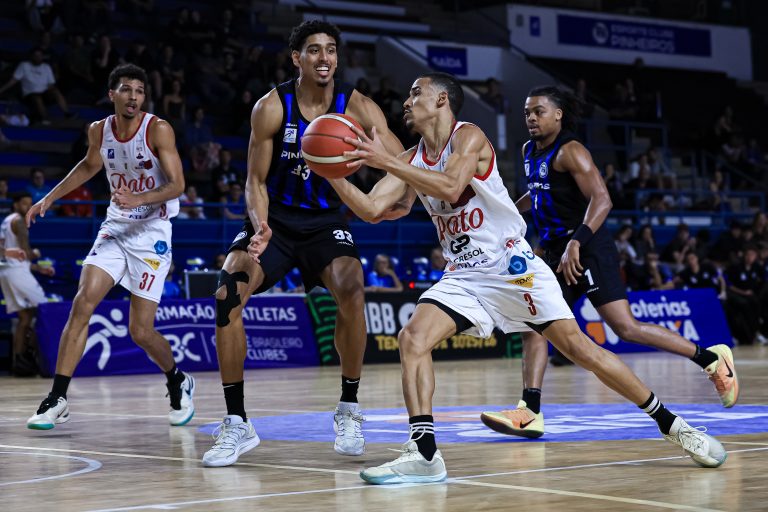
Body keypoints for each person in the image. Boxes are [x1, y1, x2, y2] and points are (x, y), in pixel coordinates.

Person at [325, 72, 726, 484]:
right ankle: (424, 453)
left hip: (512, 267)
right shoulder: (411, 157)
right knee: (412, 338)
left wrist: (385, 160)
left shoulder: (469, 137)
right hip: (464, 275)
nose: (407, 102)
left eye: (416, 93)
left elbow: (450, 186)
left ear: (442, 100)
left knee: (582, 351)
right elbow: (371, 209)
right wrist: (330, 172)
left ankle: (674, 425)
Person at [479, 86, 737, 441]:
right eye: (527, 113)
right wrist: (505, 210)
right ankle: (530, 411)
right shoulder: (528, 151)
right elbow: (537, 194)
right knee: (534, 326)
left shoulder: (571, 151)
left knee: (626, 327)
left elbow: (602, 199)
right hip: (554, 251)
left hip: (587, 247)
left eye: (539, 111)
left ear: (558, 115)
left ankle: (710, 358)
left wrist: (576, 242)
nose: (531, 118)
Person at [202, 20, 405, 467]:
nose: (324, 57)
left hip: (325, 222)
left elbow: (401, 159)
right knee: (226, 293)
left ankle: (348, 408)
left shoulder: (358, 107)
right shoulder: (272, 106)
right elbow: (255, 181)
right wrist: (260, 225)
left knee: (353, 289)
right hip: (275, 220)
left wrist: (400, 197)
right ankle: (236, 422)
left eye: (330, 49)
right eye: (314, 50)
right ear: (297, 58)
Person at [23, 63, 195, 430]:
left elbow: (178, 184)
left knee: (140, 332)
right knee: (82, 303)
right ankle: (57, 398)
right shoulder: (98, 130)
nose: (133, 97)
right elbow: (89, 166)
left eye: (139, 91)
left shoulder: (158, 129)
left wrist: (139, 199)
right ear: (112, 94)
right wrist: (50, 198)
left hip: (152, 233)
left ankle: (178, 379)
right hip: (116, 228)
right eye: (126, 90)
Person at [0, 192, 55, 376]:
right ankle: (42, 356)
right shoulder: (19, 221)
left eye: (30, 204)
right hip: (15, 271)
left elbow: (15, 256)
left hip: (6, 270)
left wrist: (39, 269)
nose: (28, 207)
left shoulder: (6, 220)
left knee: (25, 317)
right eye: (24, 204)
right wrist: (36, 254)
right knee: (44, 309)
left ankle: (20, 361)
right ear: (16, 204)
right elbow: (26, 252)